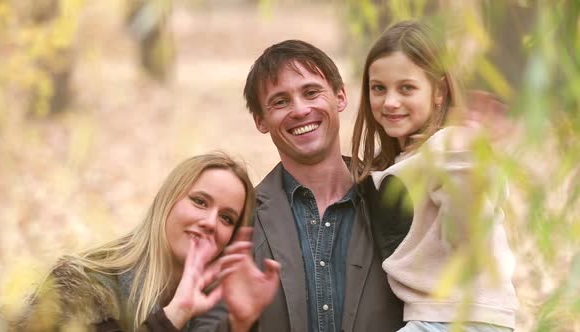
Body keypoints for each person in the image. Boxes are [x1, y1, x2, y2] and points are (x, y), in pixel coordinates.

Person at [195, 39, 405, 332]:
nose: (299, 110)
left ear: (340, 96)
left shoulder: (396, 196)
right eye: (280, 101)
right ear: (261, 120)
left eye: (311, 92)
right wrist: (236, 324)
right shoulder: (241, 220)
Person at [351, 20, 518, 331]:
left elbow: (467, 235)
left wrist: (464, 157)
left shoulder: (450, 147)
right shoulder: (407, 158)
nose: (390, 101)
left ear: (439, 91)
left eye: (406, 88)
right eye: (379, 88)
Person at [0, 153, 280, 331]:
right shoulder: (83, 284)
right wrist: (174, 316)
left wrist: (239, 325)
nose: (210, 222)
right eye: (199, 201)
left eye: (227, 218)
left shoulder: (212, 309)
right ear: (166, 202)